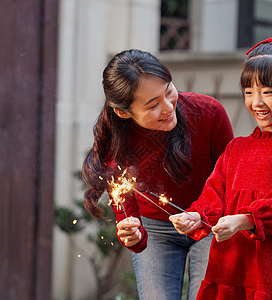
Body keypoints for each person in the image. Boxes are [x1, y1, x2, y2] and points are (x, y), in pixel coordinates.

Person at [170, 35, 272, 299]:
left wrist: (243, 220)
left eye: (267, 92)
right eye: (249, 92)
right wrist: (196, 216)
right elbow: (214, 192)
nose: (257, 102)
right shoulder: (236, 147)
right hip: (230, 258)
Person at [82, 49, 234, 299]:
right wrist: (132, 235)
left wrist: (202, 214)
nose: (167, 107)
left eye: (168, 91)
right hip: (157, 231)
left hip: (211, 222)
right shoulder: (116, 145)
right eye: (153, 104)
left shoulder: (208, 113)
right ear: (123, 112)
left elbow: (231, 181)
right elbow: (130, 222)